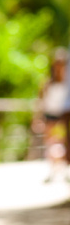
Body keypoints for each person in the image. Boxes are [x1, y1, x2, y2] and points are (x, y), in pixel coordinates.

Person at [38, 48, 69, 182]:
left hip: (63, 116)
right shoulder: (47, 83)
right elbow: (41, 102)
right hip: (50, 117)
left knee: (62, 144)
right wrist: (39, 118)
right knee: (50, 144)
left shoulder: (67, 84)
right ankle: (51, 171)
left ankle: (64, 171)